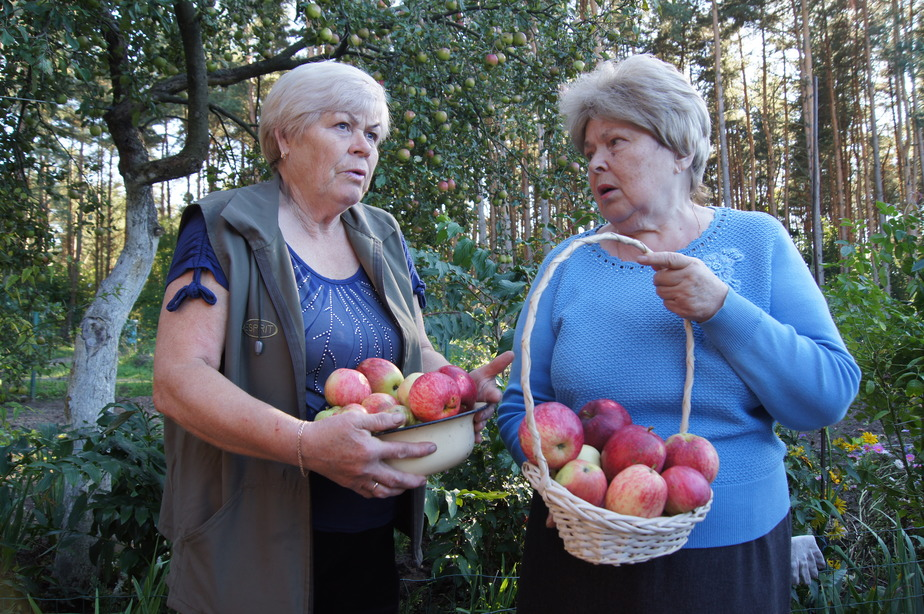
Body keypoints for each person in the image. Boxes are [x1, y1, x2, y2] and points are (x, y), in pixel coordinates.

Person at [496, 54, 860, 613]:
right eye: (589, 151)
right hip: (585, 544)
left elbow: (827, 395)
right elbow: (522, 402)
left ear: (681, 149)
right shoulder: (568, 263)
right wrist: (564, 487)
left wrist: (722, 309)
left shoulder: (755, 242)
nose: (596, 164)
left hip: (726, 553)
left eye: (616, 142)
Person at [153, 60, 513, 614]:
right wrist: (305, 443)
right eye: (343, 126)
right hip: (251, 538)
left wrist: (459, 388)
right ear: (285, 136)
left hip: (365, 529)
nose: (364, 148)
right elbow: (177, 381)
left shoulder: (382, 233)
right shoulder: (224, 227)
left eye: (372, 134)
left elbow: (415, 353)